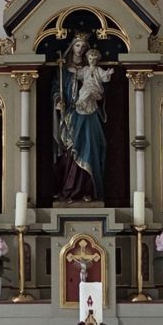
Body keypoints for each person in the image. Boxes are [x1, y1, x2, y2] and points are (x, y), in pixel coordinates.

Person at [53, 32, 113, 203]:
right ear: (72, 46)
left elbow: (102, 90)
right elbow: (56, 89)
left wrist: (98, 95)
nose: (80, 49)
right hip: (71, 115)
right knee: (71, 151)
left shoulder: (91, 69)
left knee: (91, 148)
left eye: (83, 46)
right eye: (77, 45)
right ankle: (69, 189)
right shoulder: (64, 69)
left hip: (89, 114)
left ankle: (87, 190)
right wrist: (58, 100)